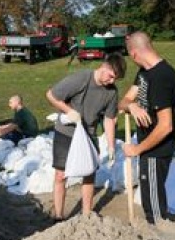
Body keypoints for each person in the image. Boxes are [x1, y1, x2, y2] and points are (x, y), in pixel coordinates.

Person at [46, 52, 126, 221]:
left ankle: (87, 216)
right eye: (111, 76)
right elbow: (51, 95)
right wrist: (69, 111)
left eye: (115, 79)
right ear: (104, 67)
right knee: (61, 175)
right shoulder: (82, 78)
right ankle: (59, 215)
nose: (111, 82)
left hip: (88, 135)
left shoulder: (111, 92)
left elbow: (109, 119)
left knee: (89, 174)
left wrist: (111, 146)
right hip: (66, 132)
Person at [118, 31, 175, 225]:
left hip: (156, 149)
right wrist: (132, 106)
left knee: (153, 207)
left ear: (135, 54)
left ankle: (159, 239)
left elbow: (165, 126)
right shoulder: (145, 72)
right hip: (147, 146)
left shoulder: (162, 77)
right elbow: (124, 101)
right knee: (150, 194)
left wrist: (136, 149)